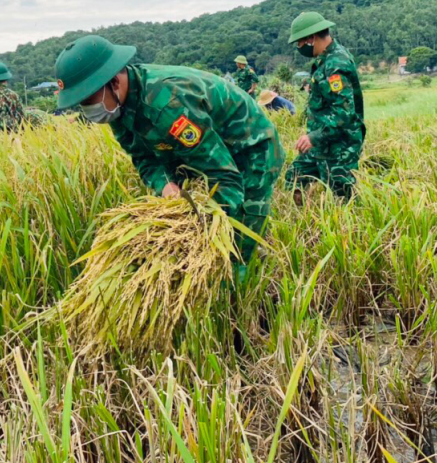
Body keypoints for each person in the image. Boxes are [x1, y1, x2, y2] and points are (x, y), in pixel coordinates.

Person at [55, 35, 284, 282]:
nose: (88, 110)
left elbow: (223, 176)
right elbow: (143, 157)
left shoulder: (167, 104)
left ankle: (249, 289)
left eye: (89, 100)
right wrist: (165, 185)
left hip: (250, 150)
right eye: (81, 104)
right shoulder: (117, 108)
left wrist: (203, 225)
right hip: (202, 151)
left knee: (238, 242)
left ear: (113, 82)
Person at [284, 12, 365, 202]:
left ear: (311, 38)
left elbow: (345, 114)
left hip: (339, 145)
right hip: (322, 142)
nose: (299, 47)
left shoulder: (336, 64)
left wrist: (314, 137)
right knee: (295, 176)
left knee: (343, 197)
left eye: (300, 43)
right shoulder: (324, 60)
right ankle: (302, 218)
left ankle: (350, 228)